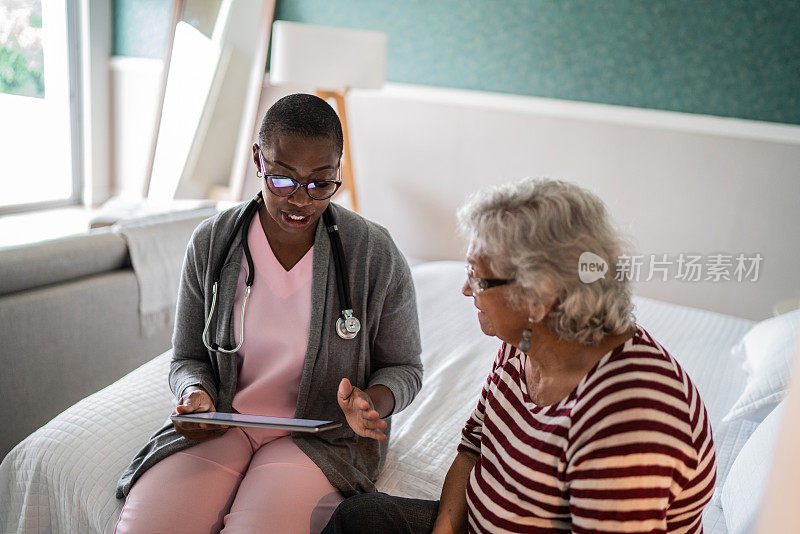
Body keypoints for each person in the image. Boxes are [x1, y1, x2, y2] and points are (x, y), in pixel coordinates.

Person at [323, 178, 716, 533]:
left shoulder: (630, 420)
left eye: (478, 277)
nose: (464, 289)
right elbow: (472, 447)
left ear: (538, 297)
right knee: (361, 517)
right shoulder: (527, 340)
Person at [114, 93, 423, 533]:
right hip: (226, 423)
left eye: (320, 183)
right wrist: (195, 393)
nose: (301, 200)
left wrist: (372, 403)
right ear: (258, 159)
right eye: (283, 180)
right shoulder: (212, 243)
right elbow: (187, 358)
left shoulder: (372, 253)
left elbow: (404, 367)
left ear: (338, 169)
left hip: (321, 437)